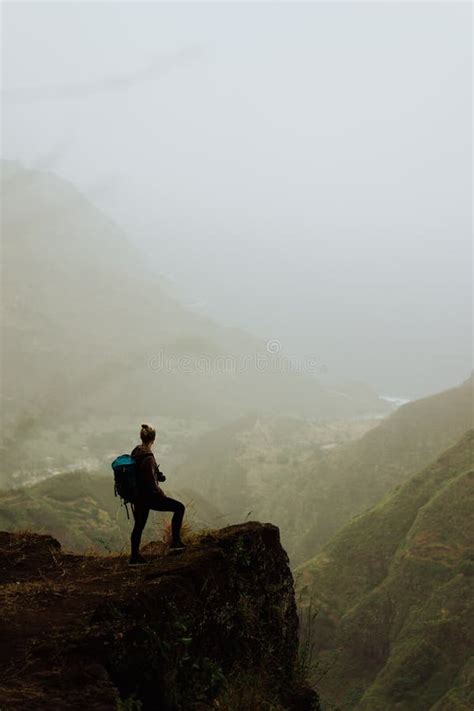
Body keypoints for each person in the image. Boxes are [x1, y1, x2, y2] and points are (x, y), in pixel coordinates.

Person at [129, 423, 186, 565]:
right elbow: (150, 481)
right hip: (150, 497)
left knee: (139, 526)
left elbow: (142, 473)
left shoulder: (136, 451)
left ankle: (134, 558)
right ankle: (176, 543)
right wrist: (161, 494)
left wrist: (158, 475)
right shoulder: (148, 456)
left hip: (138, 497)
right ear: (153, 439)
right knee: (179, 508)